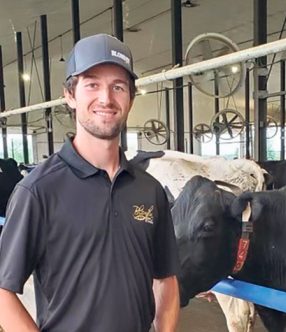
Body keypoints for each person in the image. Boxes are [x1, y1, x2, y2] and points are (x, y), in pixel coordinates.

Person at [0, 34, 180, 332]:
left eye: (118, 87)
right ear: (70, 95)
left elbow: (166, 278)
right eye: (92, 84)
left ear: (131, 98)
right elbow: (3, 291)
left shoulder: (149, 190)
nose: (106, 98)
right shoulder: (39, 190)